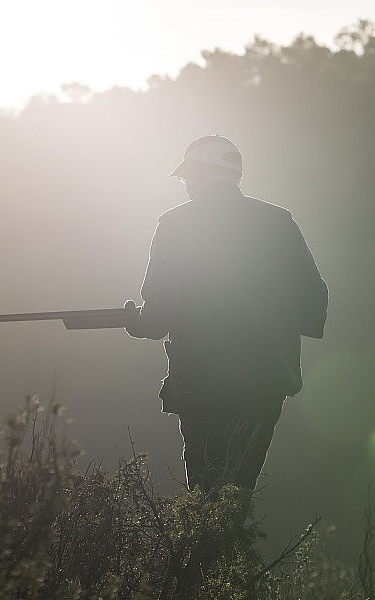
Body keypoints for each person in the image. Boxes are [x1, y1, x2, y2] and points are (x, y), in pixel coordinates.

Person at [124, 135, 328, 498]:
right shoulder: (278, 221)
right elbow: (313, 298)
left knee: (204, 497)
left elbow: (158, 315)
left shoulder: (176, 224)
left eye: (188, 175)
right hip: (265, 384)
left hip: (203, 385)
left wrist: (137, 323)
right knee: (236, 493)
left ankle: (206, 554)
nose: (186, 183)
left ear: (201, 173)